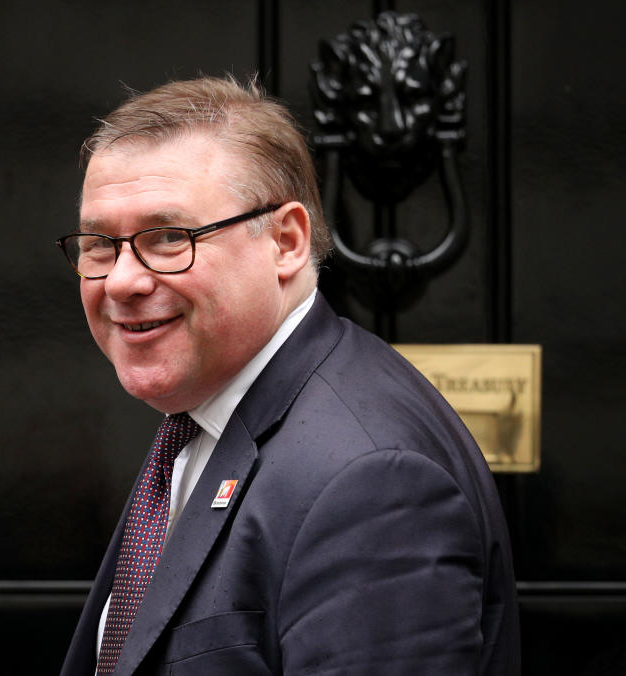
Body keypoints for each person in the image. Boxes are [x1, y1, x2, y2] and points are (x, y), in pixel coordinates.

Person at [57, 75, 520, 676]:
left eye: (169, 237)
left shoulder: (371, 483)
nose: (121, 280)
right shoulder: (209, 413)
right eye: (99, 244)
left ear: (286, 240)